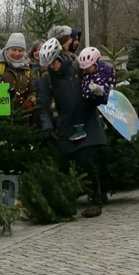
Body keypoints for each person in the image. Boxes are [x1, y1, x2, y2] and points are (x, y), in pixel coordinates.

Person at [38, 38, 107, 218]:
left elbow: (101, 83)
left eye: (53, 62)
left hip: (87, 120)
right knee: (63, 164)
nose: (51, 67)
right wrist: (47, 126)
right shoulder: (47, 80)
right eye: (48, 65)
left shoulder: (78, 68)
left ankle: (96, 199)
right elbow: (44, 106)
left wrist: (99, 92)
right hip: (66, 125)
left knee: (86, 159)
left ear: (60, 57)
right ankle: (68, 199)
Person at [69, 47, 116, 141]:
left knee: (80, 108)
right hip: (86, 93)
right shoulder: (86, 71)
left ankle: (80, 130)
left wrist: (99, 89)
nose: (87, 70)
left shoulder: (104, 71)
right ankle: (100, 120)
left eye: (89, 68)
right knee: (85, 106)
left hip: (97, 96)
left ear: (96, 63)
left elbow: (107, 86)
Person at [0, 33, 36, 112]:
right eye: (13, 49)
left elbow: (31, 92)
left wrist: (30, 102)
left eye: (20, 50)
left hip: (21, 117)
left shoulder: (26, 68)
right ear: (7, 50)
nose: (17, 53)